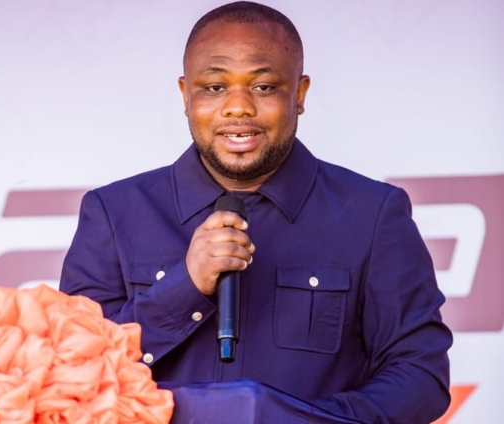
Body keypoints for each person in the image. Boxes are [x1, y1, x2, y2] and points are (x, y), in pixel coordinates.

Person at [60, 2, 453, 423]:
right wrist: (185, 286)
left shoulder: (373, 215)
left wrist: (296, 419)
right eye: (214, 87)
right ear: (186, 95)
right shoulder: (113, 213)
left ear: (299, 94)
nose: (238, 107)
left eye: (263, 87)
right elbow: (73, 372)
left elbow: (420, 375)